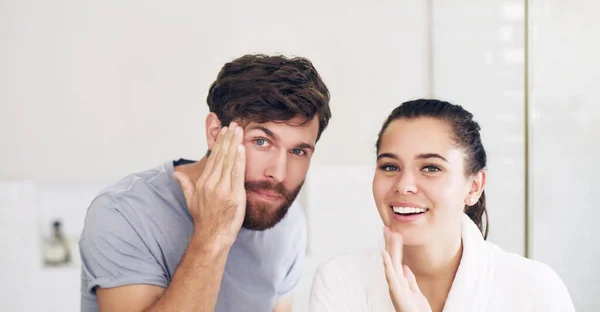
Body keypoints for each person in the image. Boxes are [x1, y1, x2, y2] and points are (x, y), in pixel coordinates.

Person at [79, 54, 332, 312]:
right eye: (261, 142)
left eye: (298, 151)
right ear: (214, 133)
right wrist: (213, 235)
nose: (279, 174)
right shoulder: (124, 213)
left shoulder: (288, 223)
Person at [308, 99, 574, 311]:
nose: (404, 185)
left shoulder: (534, 289)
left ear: (474, 186)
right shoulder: (341, 281)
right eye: (390, 166)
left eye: (431, 168)